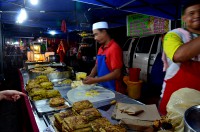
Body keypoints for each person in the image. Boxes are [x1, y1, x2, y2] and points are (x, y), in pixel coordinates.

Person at [159, 0, 200, 115]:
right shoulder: (174, 35)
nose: (197, 15)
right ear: (184, 18)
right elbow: (179, 55)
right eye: (192, 13)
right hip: (173, 100)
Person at [83, 21, 125, 93]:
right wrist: (90, 76)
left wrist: (95, 80)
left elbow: (117, 74)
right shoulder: (101, 48)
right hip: (103, 87)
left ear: (104, 32)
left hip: (113, 89)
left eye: (96, 34)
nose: (95, 38)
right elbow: (97, 65)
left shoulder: (114, 48)